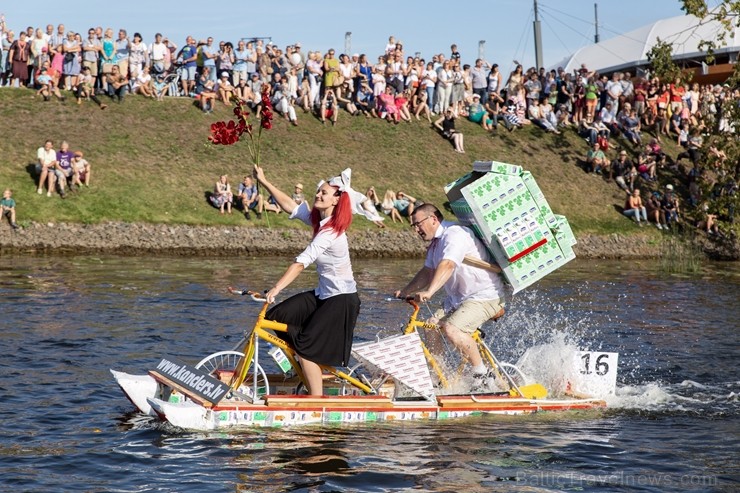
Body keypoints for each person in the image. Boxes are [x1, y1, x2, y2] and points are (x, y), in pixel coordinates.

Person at [253, 165, 360, 396]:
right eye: (318, 191)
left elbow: (302, 262)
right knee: (277, 316)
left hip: (341, 300)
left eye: (323, 193)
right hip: (324, 294)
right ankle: (308, 365)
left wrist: (276, 288)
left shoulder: (330, 232)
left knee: (305, 347)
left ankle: (316, 396)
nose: (318, 195)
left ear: (335, 200)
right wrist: (264, 181)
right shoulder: (318, 220)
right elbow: (290, 206)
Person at [395, 203, 507, 393]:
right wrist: (405, 290)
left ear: (433, 219)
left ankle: (482, 375)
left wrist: (429, 292)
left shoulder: (455, 235)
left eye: (418, 224)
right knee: (431, 326)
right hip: (459, 300)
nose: (416, 230)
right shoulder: (435, 244)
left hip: (485, 296)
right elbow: (428, 271)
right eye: (413, 226)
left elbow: (447, 265)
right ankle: (440, 377)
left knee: (452, 328)